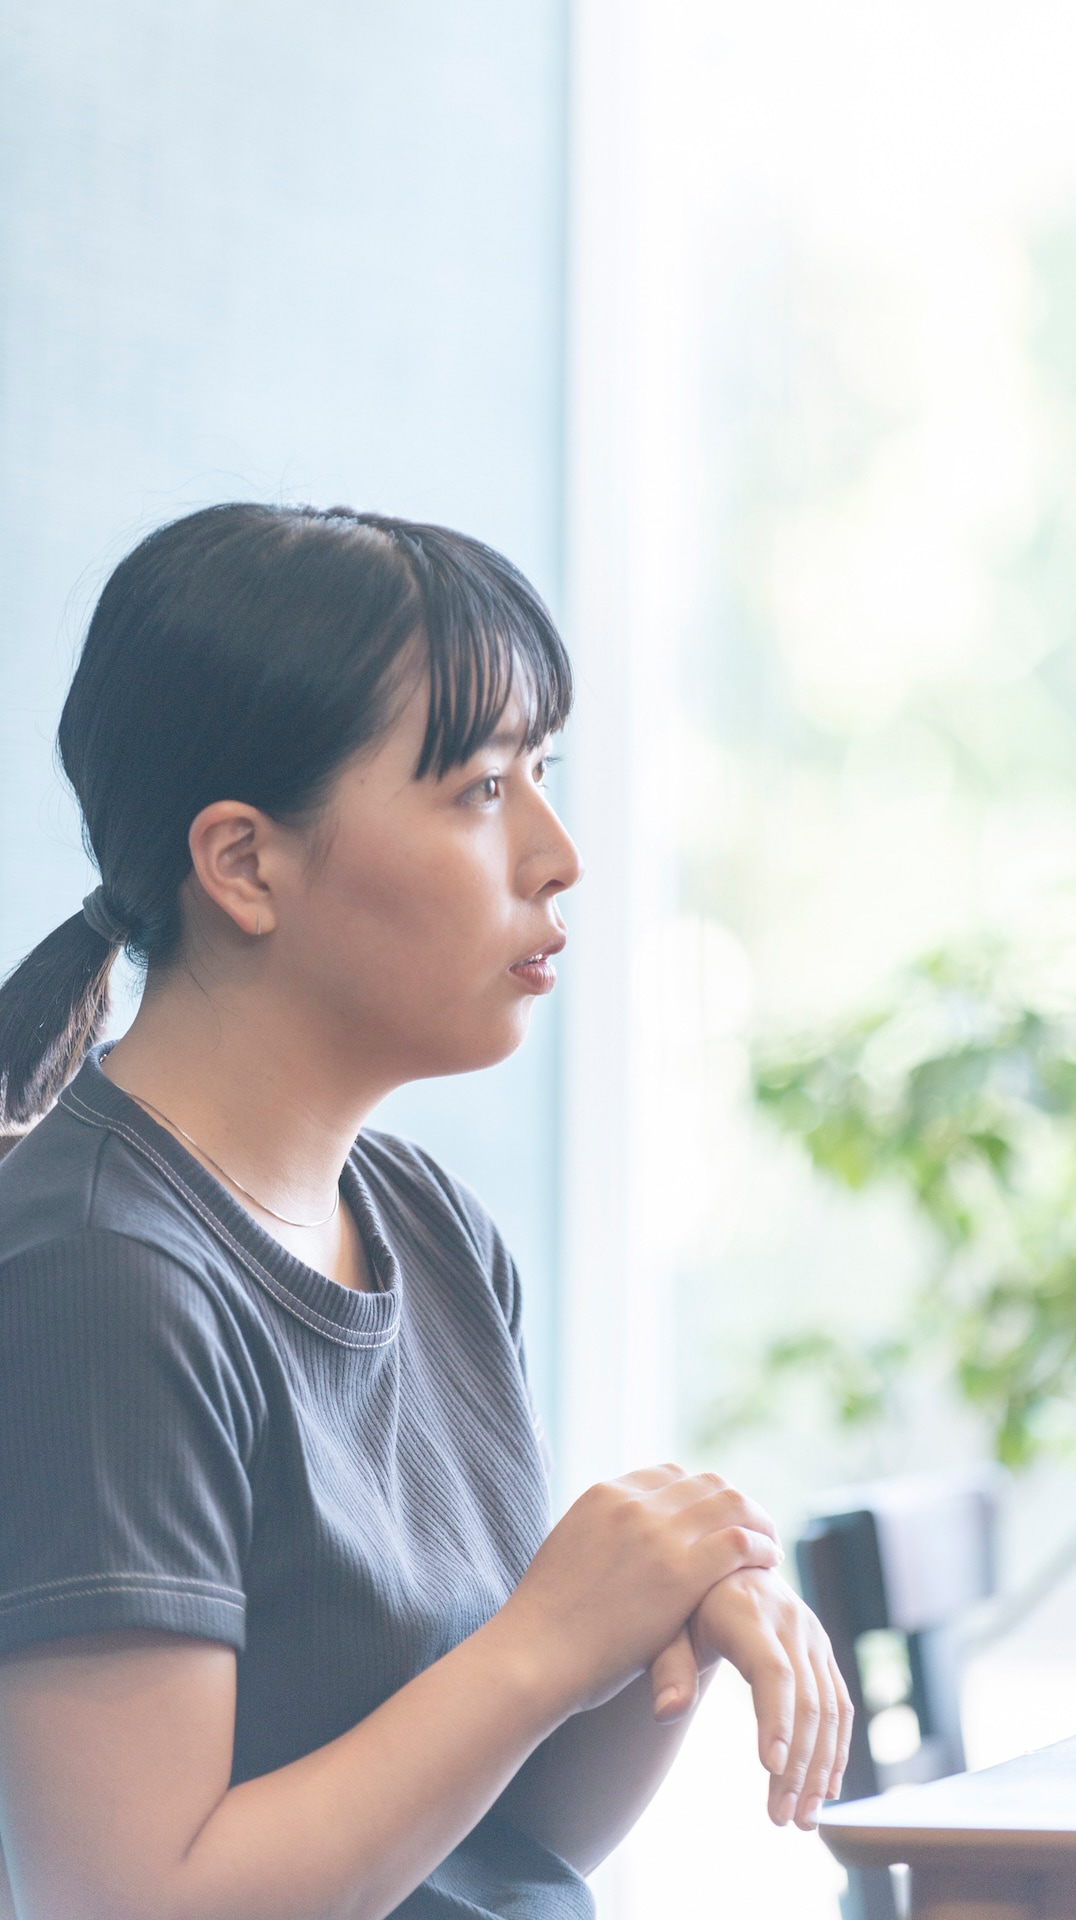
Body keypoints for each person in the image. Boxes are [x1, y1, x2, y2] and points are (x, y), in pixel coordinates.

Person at [0, 504, 851, 1920]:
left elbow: (506, 1844)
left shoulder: (426, 1224)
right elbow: (131, 1901)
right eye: (477, 789)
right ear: (246, 866)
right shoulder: (98, 1275)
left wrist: (661, 1610)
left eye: (542, 772)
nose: (556, 852)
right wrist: (540, 1641)